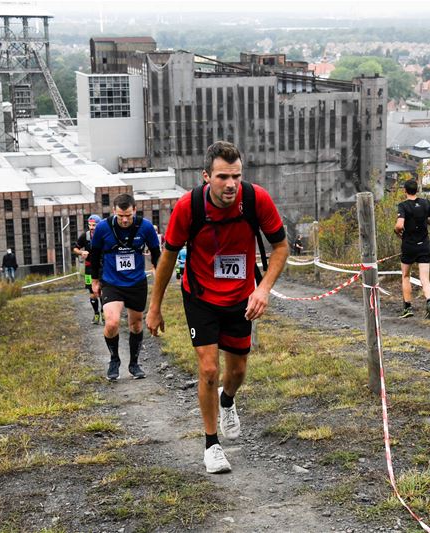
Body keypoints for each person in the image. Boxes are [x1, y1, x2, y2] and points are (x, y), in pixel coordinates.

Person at [147, 141, 289, 474]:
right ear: (206, 176)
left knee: (236, 372)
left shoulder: (255, 199)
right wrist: (155, 306)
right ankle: (212, 445)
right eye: (223, 177)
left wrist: (263, 289)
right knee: (209, 369)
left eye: (236, 176)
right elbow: (167, 257)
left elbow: (281, 247)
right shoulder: (189, 207)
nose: (231, 184)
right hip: (200, 296)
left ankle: (227, 399)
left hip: (241, 296)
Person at [89, 194, 161, 381]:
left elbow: (156, 253)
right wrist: (94, 281)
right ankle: (114, 359)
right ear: (114, 211)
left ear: (135, 210)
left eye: (128, 215)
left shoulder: (145, 227)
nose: (125, 220)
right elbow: (94, 255)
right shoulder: (103, 228)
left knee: (136, 324)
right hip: (111, 282)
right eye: (120, 216)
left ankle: (134, 364)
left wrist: (158, 273)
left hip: (136, 282)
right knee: (112, 322)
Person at [395, 178, 430, 319]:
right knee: (425, 278)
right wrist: (425, 221)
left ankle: (408, 308)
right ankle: (429, 301)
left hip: (409, 245)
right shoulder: (426, 203)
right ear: (417, 190)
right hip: (424, 245)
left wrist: (397, 231)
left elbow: (399, 225)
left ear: (405, 191)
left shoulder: (403, 206)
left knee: (406, 276)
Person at [74, 214, 103, 324]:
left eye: (94, 225)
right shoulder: (85, 236)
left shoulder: (104, 235)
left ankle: (104, 312)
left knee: (102, 291)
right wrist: (81, 252)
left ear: (99, 225)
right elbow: (75, 248)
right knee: (92, 292)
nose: (91, 227)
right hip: (89, 267)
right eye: (90, 225)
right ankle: (96, 314)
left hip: (102, 267)